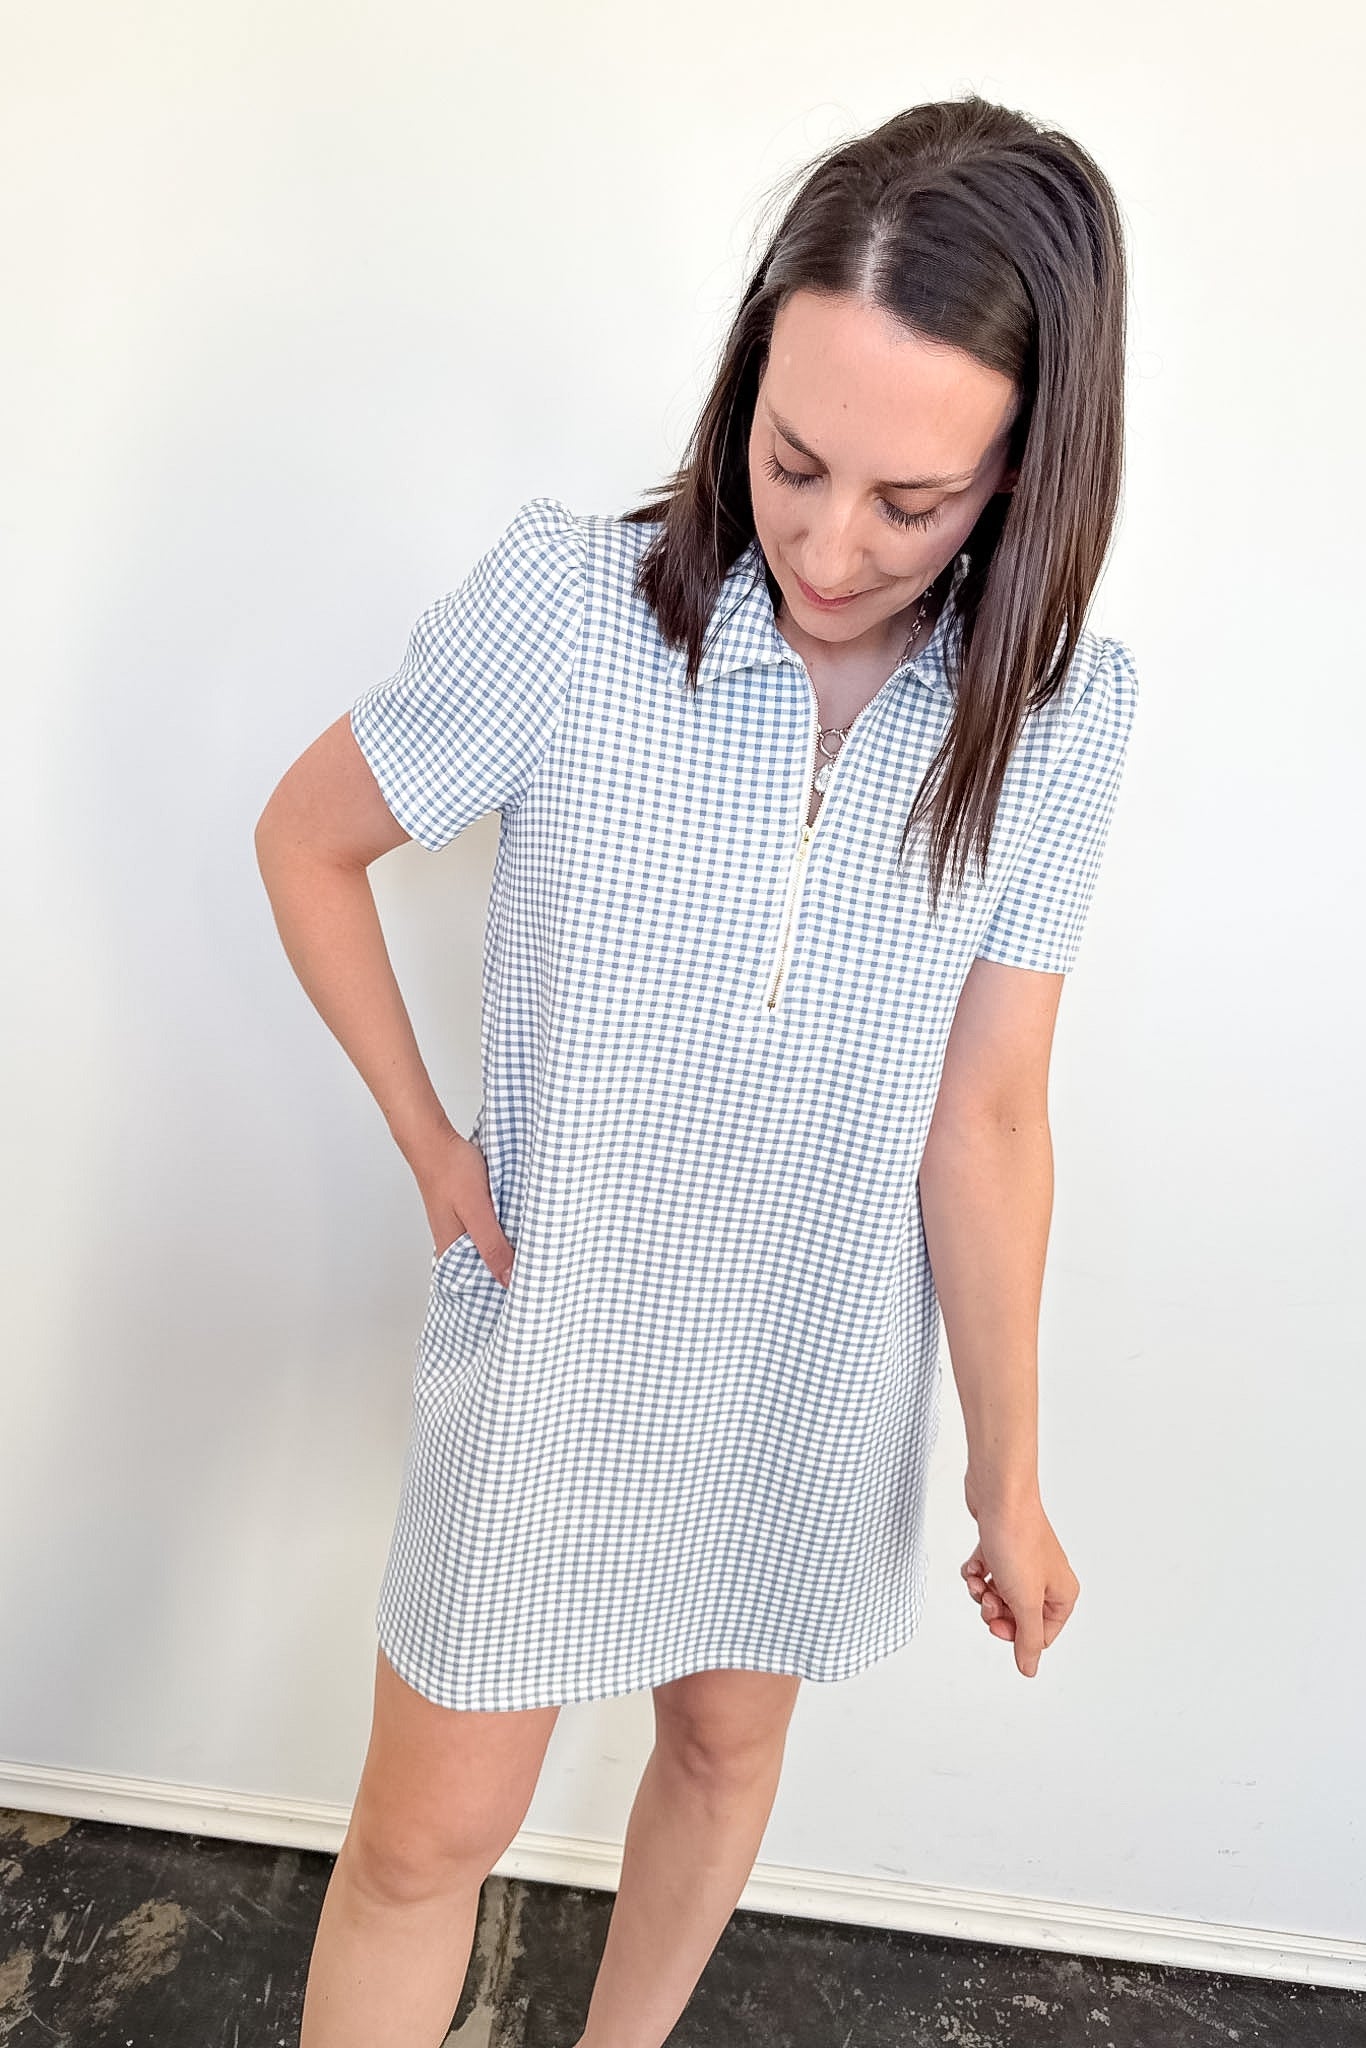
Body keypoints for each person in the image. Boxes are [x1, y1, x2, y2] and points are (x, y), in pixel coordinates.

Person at [255, 90, 1141, 2048]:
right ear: (744, 376)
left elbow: (982, 1112)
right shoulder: (572, 609)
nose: (831, 545)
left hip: (810, 1361)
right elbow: (306, 839)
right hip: (560, 1343)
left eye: (910, 502)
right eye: (793, 457)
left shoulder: (1057, 716)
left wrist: (1006, 1470)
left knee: (724, 1750)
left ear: (1022, 471)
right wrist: (428, 1140)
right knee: (423, 1844)